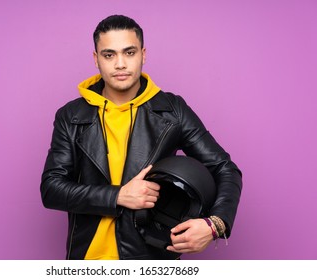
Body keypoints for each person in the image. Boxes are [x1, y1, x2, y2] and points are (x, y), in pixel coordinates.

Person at [41, 14, 242, 260]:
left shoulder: (172, 110)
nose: (120, 64)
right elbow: (52, 189)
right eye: (109, 55)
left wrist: (215, 224)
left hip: (151, 259)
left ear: (143, 54)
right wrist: (118, 196)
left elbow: (224, 168)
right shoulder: (71, 115)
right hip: (87, 260)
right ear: (96, 60)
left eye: (129, 52)